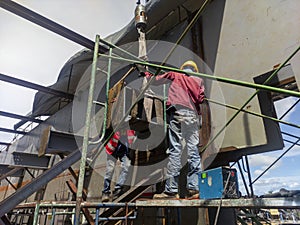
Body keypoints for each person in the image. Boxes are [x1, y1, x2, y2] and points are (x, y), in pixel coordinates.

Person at [144, 60, 205, 199]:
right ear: (194, 70)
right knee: (193, 151)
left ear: (183, 68)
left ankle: (171, 191)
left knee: (175, 150)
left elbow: (156, 80)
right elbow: (200, 99)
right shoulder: (199, 80)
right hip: (192, 116)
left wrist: (147, 74)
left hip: (177, 113)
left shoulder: (176, 74)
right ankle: (195, 189)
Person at [101, 129, 135, 202]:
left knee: (127, 166)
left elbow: (133, 140)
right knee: (109, 171)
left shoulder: (131, 131)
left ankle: (118, 188)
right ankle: (105, 192)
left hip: (123, 151)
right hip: (112, 150)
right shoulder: (116, 128)